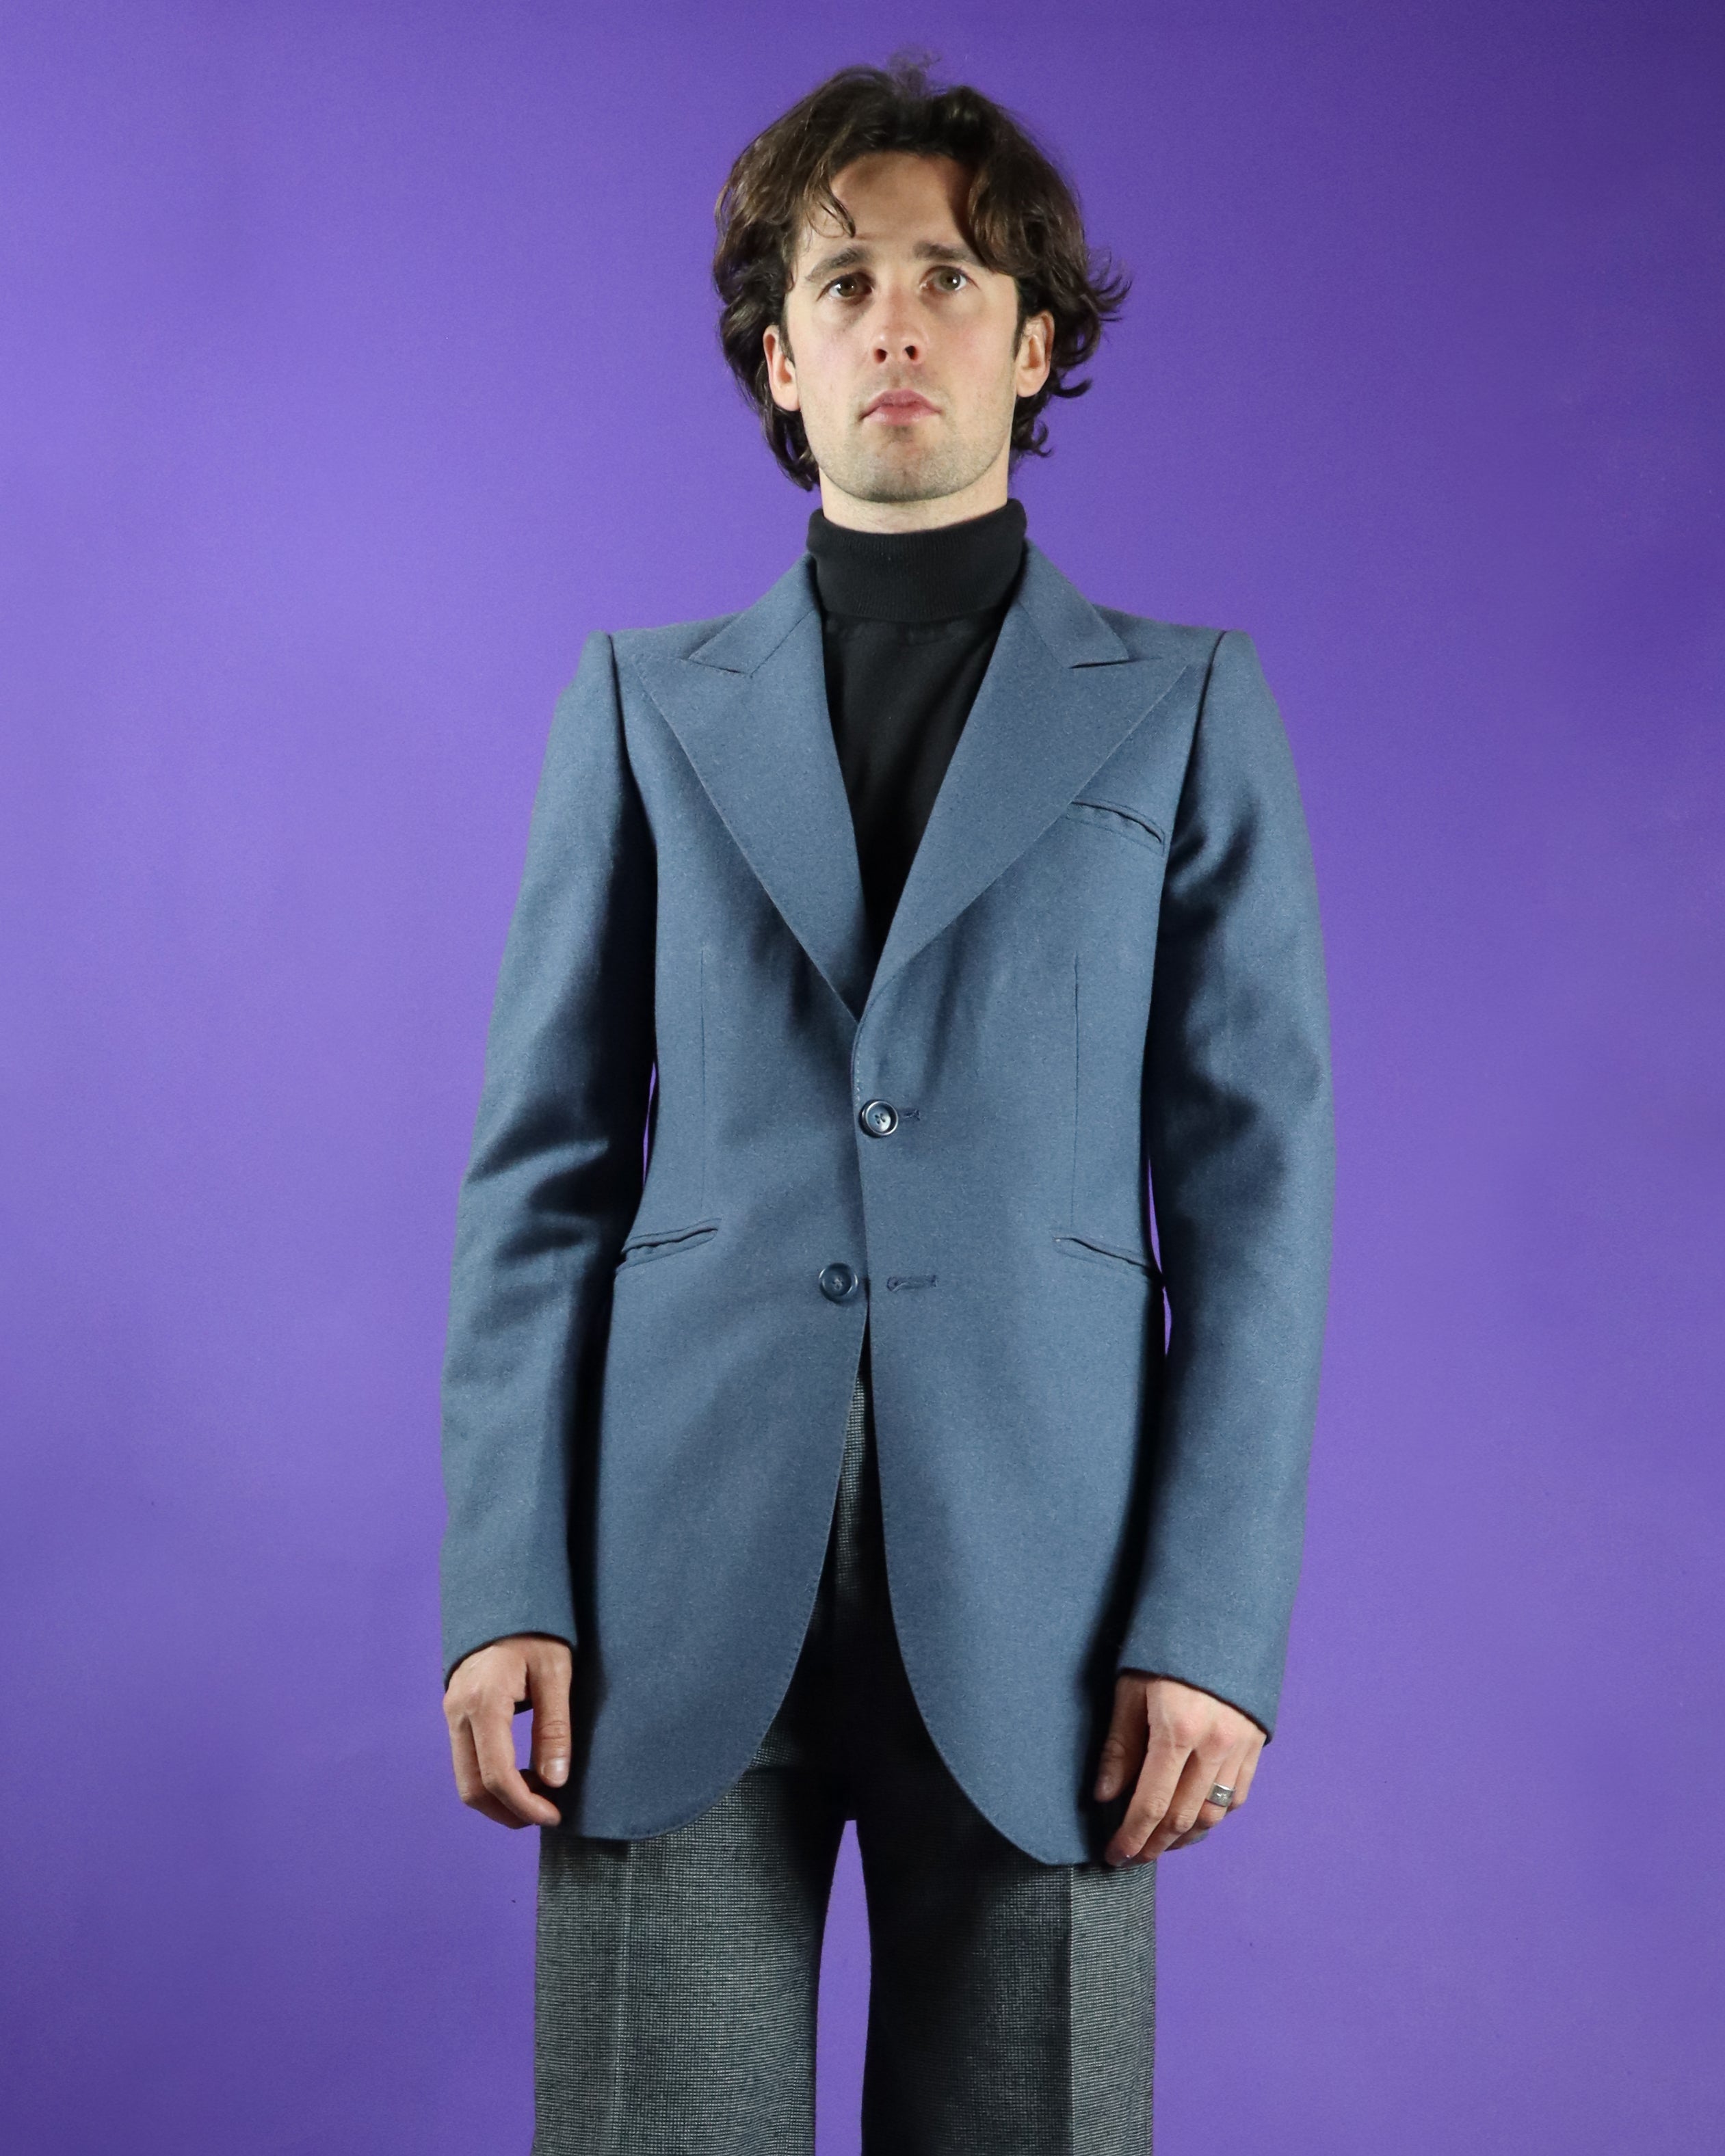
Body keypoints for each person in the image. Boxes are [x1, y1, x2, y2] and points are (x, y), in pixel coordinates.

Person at [438, 55, 1333, 2156]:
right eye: (844, 282)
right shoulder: (640, 706)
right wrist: (505, 1577)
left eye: (951, 277)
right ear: (782, 355)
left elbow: (1254, 1196)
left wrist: (1211, 1626)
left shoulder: (1185, 708)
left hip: (1052, 1598)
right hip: (662, 1587)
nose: (896, 321)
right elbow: (541, 1169)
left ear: (1031, 348)